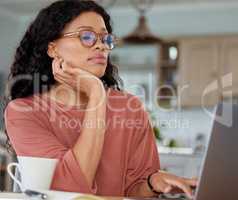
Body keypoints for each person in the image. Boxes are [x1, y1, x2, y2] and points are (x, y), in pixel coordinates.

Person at [4, 0, 196, 198]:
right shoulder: (23, 112)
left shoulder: (130, 108)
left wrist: (151, 183)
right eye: (86, 37)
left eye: (105, 39)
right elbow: (68, 192)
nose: (101, 46)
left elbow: (132, 193)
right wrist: (96, 94)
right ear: (52, 48)